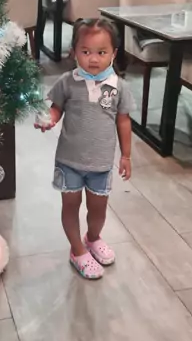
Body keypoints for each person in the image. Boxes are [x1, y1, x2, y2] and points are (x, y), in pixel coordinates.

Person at [34, 17, 134, 280]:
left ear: (113, 53)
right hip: (69, 161)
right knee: (70, 205)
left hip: (101, 163)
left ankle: (93, 238)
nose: (93, 59)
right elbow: (56, 107)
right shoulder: (67, 82)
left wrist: (126, 155)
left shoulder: (119, 86)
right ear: (74, 52)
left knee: (98, 209)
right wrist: (50, 118)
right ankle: (77, 250)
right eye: (86, 52)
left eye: (101, 52)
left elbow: (123, 121)